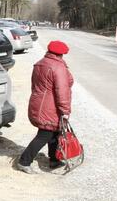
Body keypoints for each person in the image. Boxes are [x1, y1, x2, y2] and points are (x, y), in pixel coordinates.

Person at [17, 40, 74, 174]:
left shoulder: (40, 63)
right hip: (50, 106)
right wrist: (65, 110)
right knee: (44, 135)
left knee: (55, 132)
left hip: (39, 103)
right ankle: (24, 161)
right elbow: (62, 91)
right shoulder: (58, 67)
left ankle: (54, 160)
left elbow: (35, 85)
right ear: (61, 54)